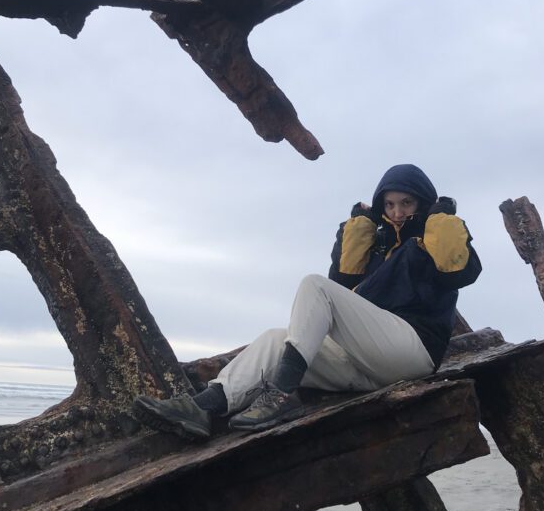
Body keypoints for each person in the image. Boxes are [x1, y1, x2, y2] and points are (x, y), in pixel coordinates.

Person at [133, 164, 481, 441]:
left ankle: (279, 397)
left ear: (422, 202)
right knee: (275, 337)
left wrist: (440, 220)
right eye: (389, 204)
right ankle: (202, 408)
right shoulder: (379, 246)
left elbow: (459, 273)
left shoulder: (433, 239)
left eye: (407, 203)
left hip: (413, 351)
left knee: (313, 286)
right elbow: (343, 284)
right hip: (369, 366)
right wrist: (361, 229)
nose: (397, 211)